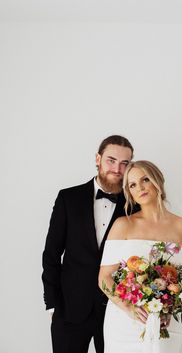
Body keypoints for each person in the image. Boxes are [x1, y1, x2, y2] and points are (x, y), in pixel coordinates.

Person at [42, 135, 135, 353]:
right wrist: (52, 304)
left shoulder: (136, 206)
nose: (117, 169)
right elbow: (52, 253)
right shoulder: (68, 198)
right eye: (111, 160)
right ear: (98, 159)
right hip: (70, 309)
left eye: (125, 163)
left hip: (117, 310)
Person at [99, 160, 182, 353]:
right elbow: (104, 278)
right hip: (125, 321)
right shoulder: (123, 225)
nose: (140, 187)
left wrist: (170, 307)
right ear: (129, 193)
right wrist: (129, 307)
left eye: (145, 179)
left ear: (158, 181)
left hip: (167, 321)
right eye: (133, 185)